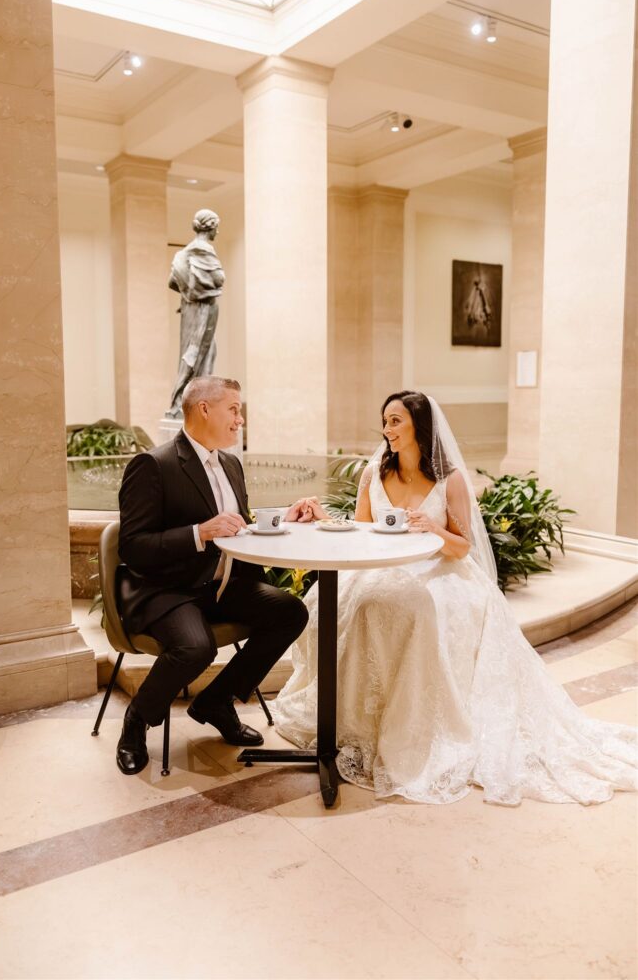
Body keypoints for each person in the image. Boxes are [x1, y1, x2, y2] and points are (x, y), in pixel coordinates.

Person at [272, 391, 637, 806]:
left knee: (415, 611)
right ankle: (354, 719)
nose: (387, 430)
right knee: (338, 603)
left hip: (439, 571)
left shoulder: (450, 480)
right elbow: (361, 531)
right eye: (386, 421)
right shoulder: (374, 473)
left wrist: (432, 528)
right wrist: (322, 519)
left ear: (419, 428)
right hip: (380, 570)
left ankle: (413, 728)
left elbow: (462, 547)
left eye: (396, 421)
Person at [116, 376, 317, 775]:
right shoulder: (153, 465)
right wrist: (198, 532)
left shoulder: (230, 463)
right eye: (234, 409)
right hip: (169, 590)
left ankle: (215, 701)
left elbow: (237, 526)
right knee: (196, 647)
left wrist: (285, 519)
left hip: (222, 586)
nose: (240, 419)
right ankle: (137, 720)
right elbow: (132, 546)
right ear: (204, 409)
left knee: (291, 612)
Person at [166, 210, 225, 419]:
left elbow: (173, 281)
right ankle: (187, 403)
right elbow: (218, 279)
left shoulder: (183, 253)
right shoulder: (203, 249)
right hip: (203, 309)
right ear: (210, 227)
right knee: (196, 354)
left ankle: (191, 402)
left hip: (190, 308)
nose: (218, 231)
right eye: (217, 226)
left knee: (201, 354)